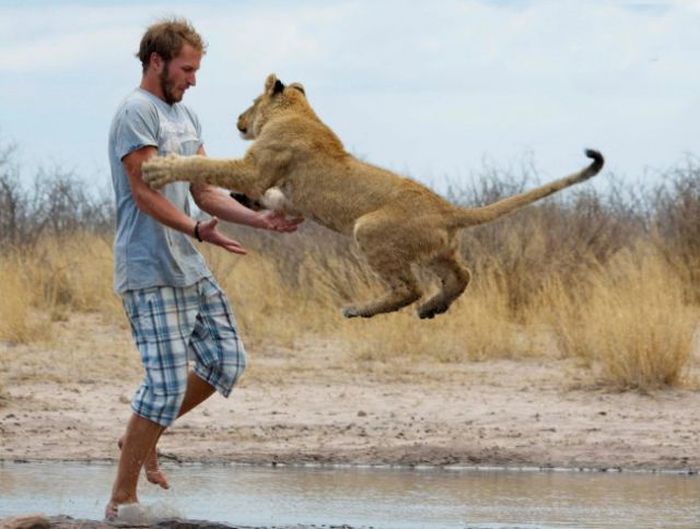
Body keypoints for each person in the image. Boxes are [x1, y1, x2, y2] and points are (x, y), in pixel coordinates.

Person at [105, 18, 301, 519]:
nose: (193, 79)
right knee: (165, 384)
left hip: (189, 266)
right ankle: (121, 502)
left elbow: (204, 190)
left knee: (225, 361)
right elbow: (144, 191)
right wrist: (196, 230)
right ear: (157, 62)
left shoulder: (186, 118)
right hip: (148, 269)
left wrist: (260, 220)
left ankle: (146, 433)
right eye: (187, 69)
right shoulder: (135, 112)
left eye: (195, 69)